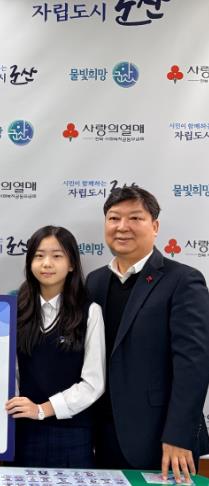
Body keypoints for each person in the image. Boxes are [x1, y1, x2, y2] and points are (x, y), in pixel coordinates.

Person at [86, 186, 209, 482]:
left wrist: (178, 435)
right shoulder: (95, 281)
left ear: (154, 226)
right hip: (102, 436)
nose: (122, 227)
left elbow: (193, 364)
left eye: (135, 218)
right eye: (114, 218)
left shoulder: (183, 280)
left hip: (161, 439)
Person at [0, 226, 105, 467]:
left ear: (71, 264)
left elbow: (93, 383)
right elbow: (5, 375)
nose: (46, 263)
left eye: (57, 256)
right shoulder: (13, 309)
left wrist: (41, 409)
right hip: (21, 432)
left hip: (72, 436)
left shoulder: (89, 311)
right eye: (39, 256)